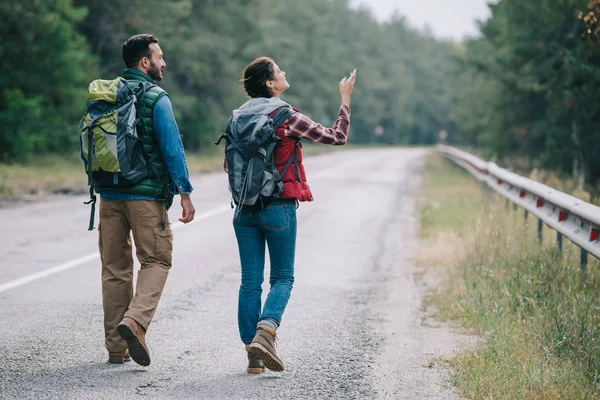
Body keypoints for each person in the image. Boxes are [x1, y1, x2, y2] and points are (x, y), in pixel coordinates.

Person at [228, 57, 357, 373]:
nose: (284, 72)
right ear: (270, 84)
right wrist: (345, 99)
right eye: (278, 70)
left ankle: (253, 353)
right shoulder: (286, 116)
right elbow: (336, 136)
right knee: (283, 277)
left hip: (243, 210)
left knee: (250, 281)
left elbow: (229, 165)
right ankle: (267, 330)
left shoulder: (237, 118)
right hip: (278, 207)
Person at [97, 34, 195, 367]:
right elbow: (172, 148)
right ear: (145, 62)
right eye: (160, 57)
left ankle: (116, 348)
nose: (163, 63)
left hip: (108, 194)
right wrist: (185, 193)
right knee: (156, 260)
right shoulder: (156, 97)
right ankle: (135, 322)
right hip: (146, 197)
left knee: (114, 269)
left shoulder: (105, 94)